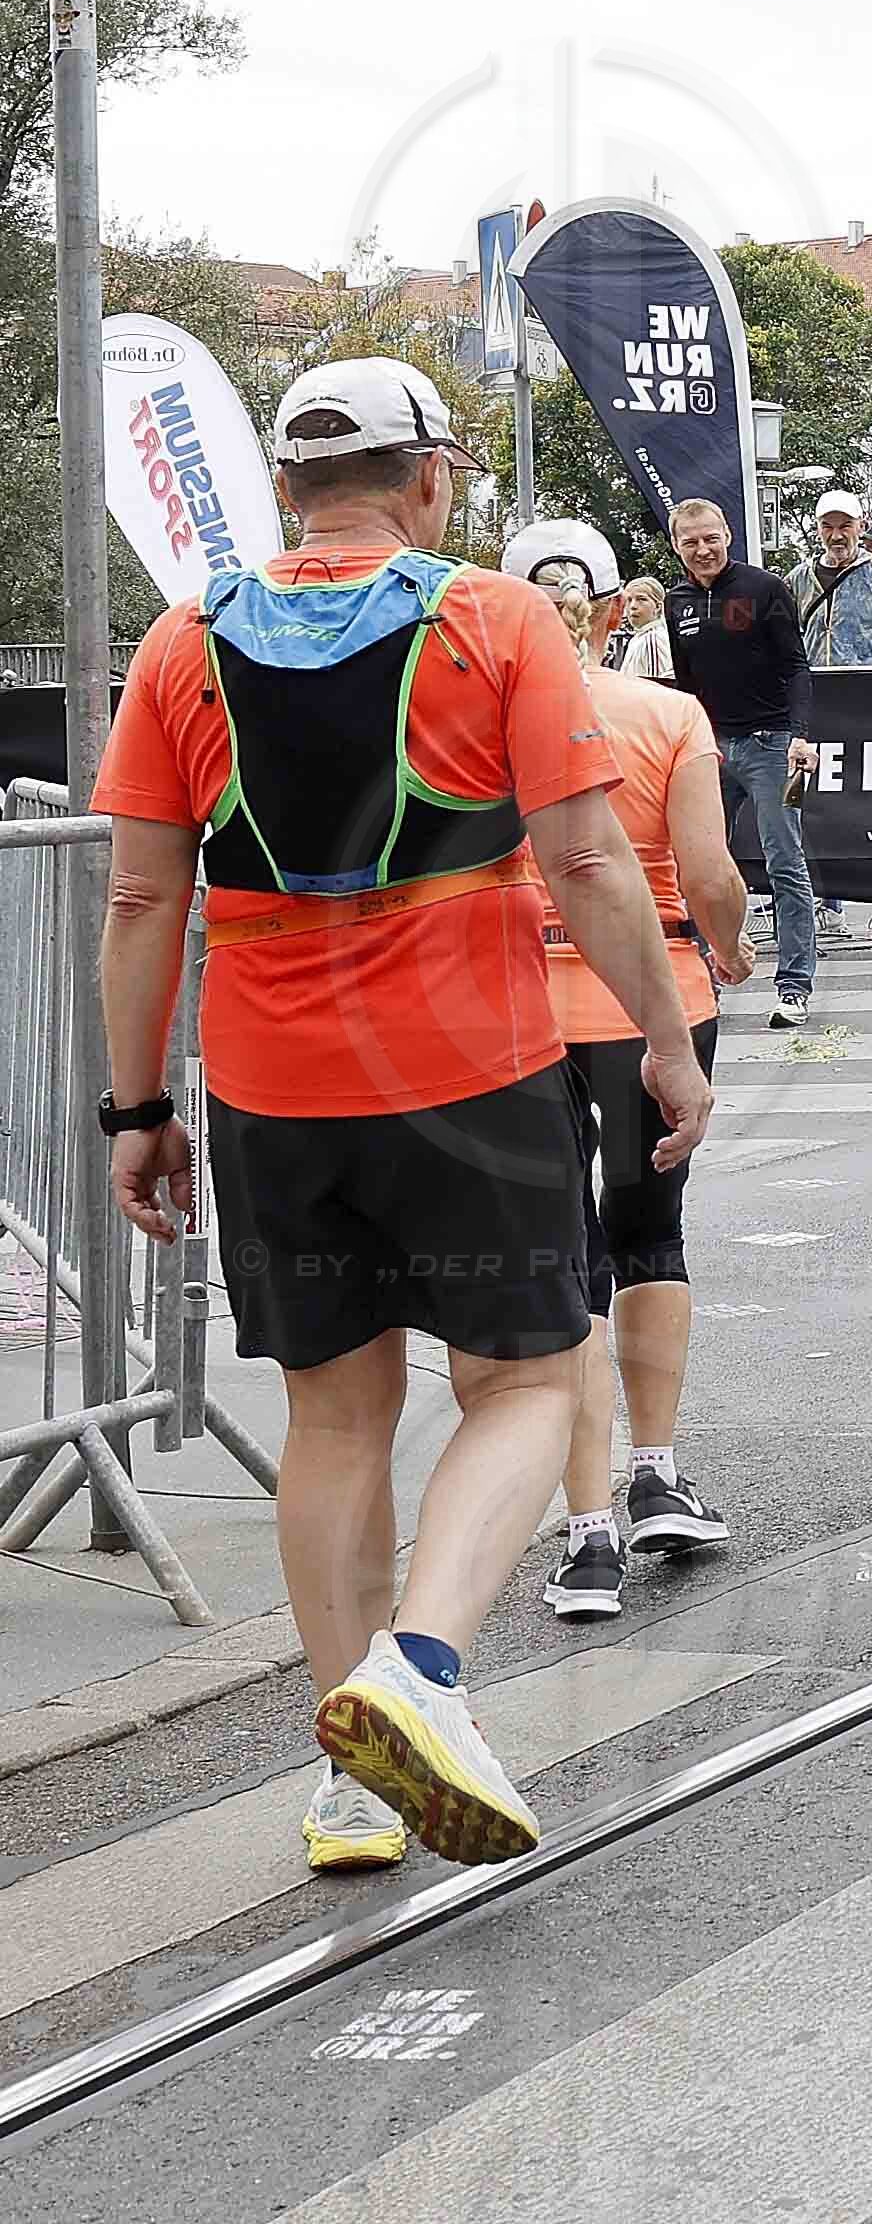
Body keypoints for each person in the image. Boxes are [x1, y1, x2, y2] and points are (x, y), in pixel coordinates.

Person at [95, 360, 710, 1869]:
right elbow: (583, 862)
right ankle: (418, 1673)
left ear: (292, 489)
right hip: (467, 1071)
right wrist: (663, 1039)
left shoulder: (183, 641)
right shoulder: (495, 619)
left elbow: (136, 894)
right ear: (430, 477)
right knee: (533, 1385)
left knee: (333, 1414)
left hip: (268, 1084)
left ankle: (348, 1781)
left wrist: (133, 1108)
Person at [502, 522, 748, 1629]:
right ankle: (656, 1472)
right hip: (656, 997)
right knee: (651, 1231)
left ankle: (588, 1530)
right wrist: (731, 947)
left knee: (562, 1259)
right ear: (612, 610)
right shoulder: (667, 714)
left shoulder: (475, 721)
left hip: (519, 1009)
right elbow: (707, 873)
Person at [650, 497, 815, 1030]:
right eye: (690, 541)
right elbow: (685, 683)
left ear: (728, 534)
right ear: (676, 546)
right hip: (708, 747)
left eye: (711, 537)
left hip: (771, 745)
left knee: (784, 861)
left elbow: (796, 666)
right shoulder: (675, 602)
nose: (703, 550)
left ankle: (794, 985)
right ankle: (704, 978)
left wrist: (801, 735)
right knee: (696, 867)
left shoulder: (765, 588)